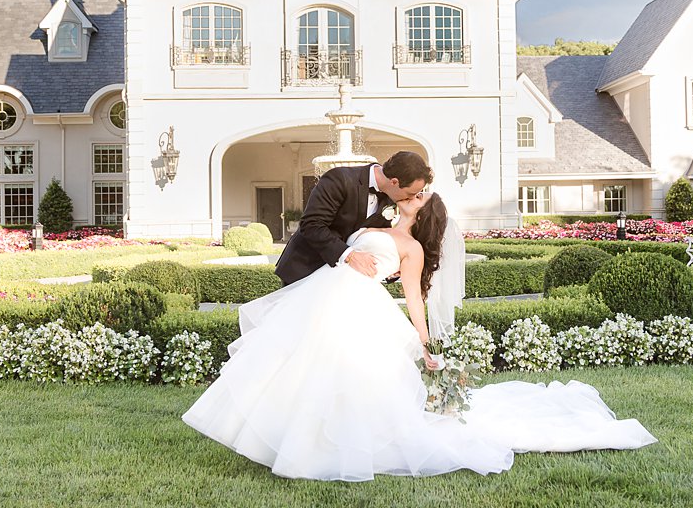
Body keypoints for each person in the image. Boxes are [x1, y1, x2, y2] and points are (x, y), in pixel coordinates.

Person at [183, 191, 657, 481]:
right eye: (410, 196)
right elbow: (335, 244)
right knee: (295, 363)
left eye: (417, 200)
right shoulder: (372, 224)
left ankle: (319, 446)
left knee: (339, 372)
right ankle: (288, 438)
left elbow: (414, 298)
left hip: (356, 306)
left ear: (423, 213)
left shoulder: (411, 249)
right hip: (325, 295)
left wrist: (426, 345)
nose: (409, 199)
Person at [274, 151, 432, 287]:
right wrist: (350, 255)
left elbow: (374, 238)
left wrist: (391, 267)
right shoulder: (340, 179)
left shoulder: (391, 196)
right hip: (305, 268)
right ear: (394, 182)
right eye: (411, 193)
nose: (410, 199)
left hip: (341, 282)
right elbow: (312, 225)